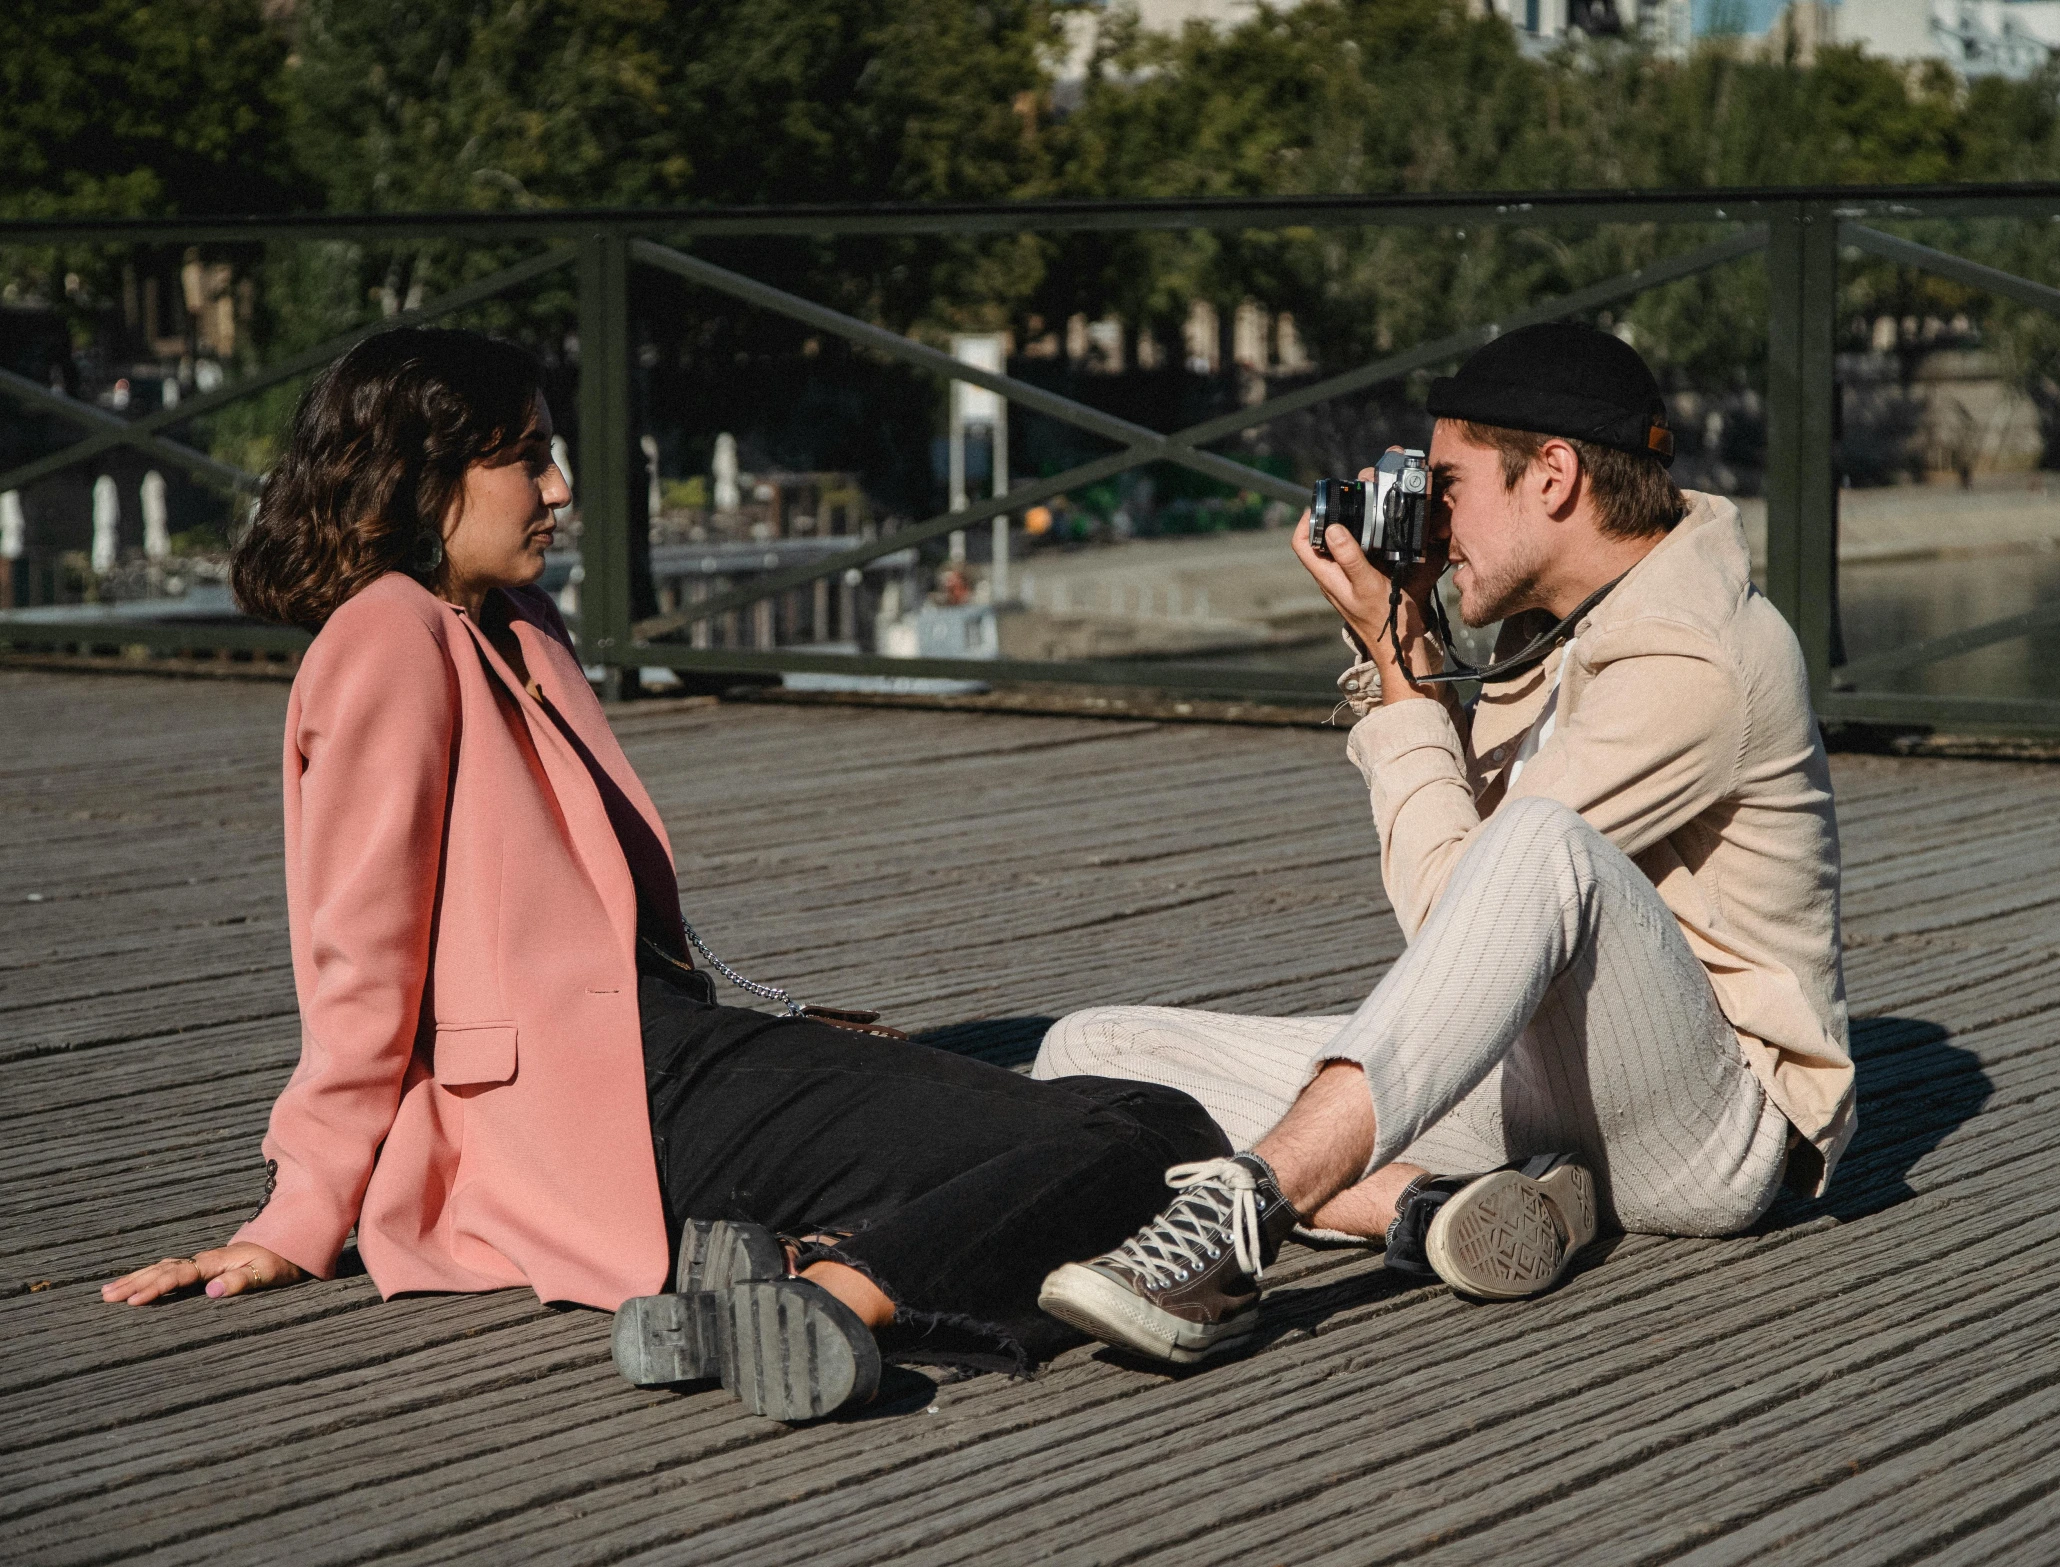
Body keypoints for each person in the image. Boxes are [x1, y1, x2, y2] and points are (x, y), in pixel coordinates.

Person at [99, 327, 1227, 1420]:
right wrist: (298, 1212)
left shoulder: (514, 623)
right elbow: (359, 959)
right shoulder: (387, 636)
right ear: (422, 474)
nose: (558, 489)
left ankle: (789, 1275)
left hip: (673, 1059)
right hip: (608, 1098)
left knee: (1140, 1124)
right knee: (1133, 1138)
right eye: (526, 456)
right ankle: (827, 1297)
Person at [1031, 322, 1852, 1365]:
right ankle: (1430, 1210)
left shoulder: (1696, 654)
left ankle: (1244, 1216)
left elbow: (1459, 903)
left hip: (1708, 1132)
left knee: (1541, 843)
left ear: (1551, 475)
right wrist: (1409, 633)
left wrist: (1392, 667)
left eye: (1449, 485)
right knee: (1087, 1059)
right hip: (1543, 1096)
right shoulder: (1544, 624)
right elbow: (1480, 928)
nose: (1431, 515)